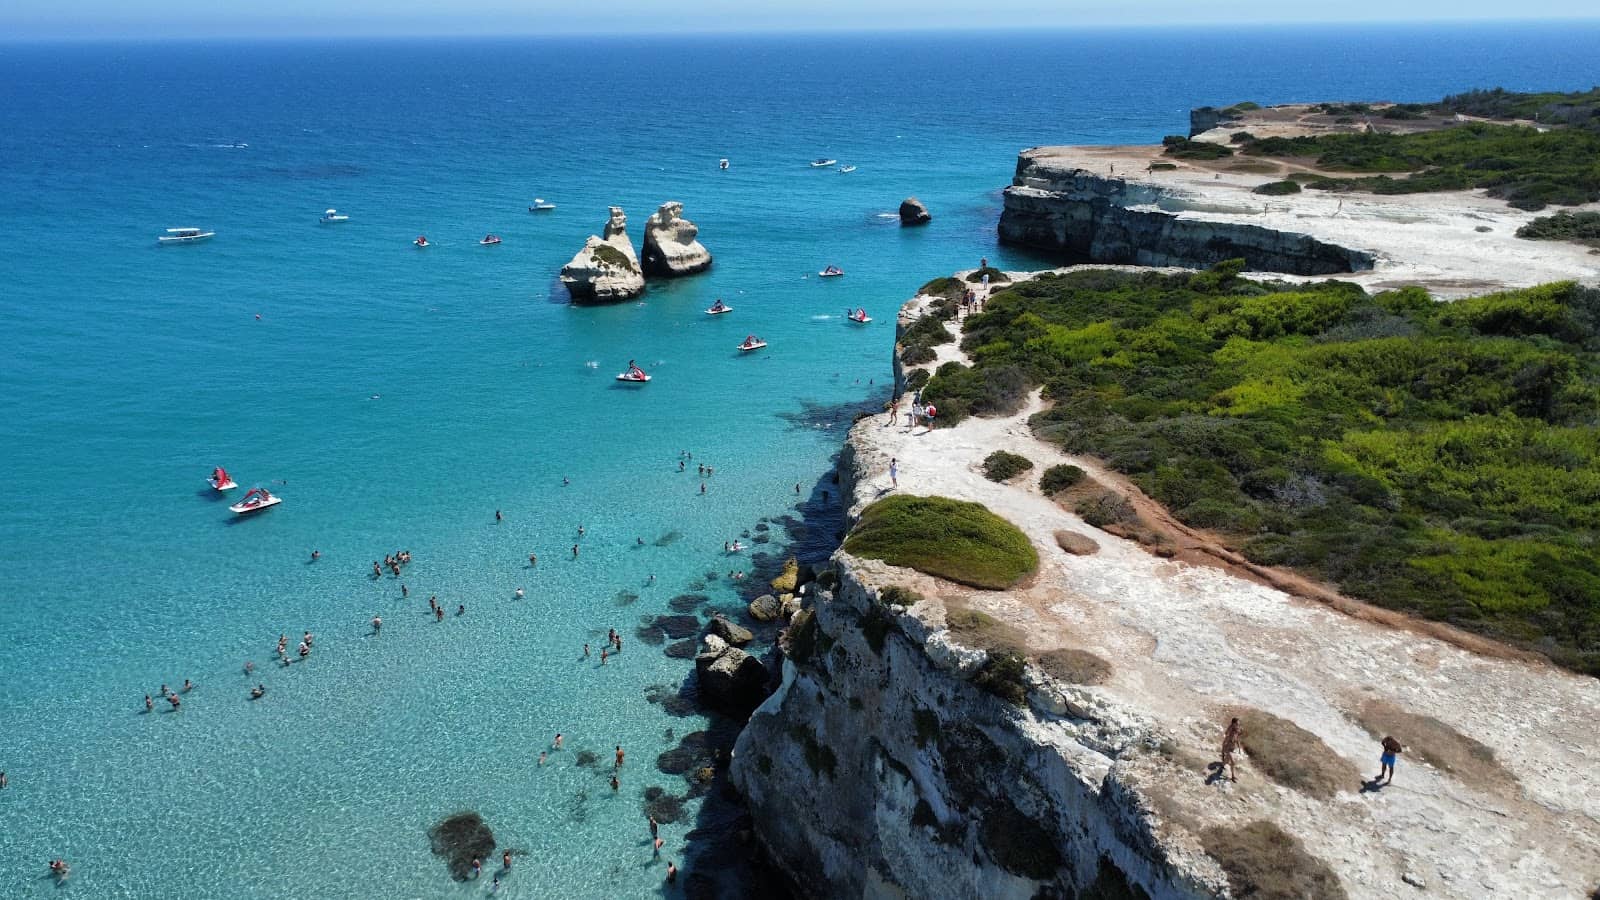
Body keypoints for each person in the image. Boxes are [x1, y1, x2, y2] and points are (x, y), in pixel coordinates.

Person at [1220, 717, 1241, 782]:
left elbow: (1237, 739)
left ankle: (1222, 765)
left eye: (1238, 724)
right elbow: (1225, 741)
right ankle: (1233, 777)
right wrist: (1223, 751)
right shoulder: (1229, 731)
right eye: (1237, 724)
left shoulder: (1237, 730)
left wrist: (1239, 748)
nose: (1238, 725)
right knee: (1233, 762)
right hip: (1228, 748)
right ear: (1233, 724)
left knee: (1226, 761)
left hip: (1232, 748)